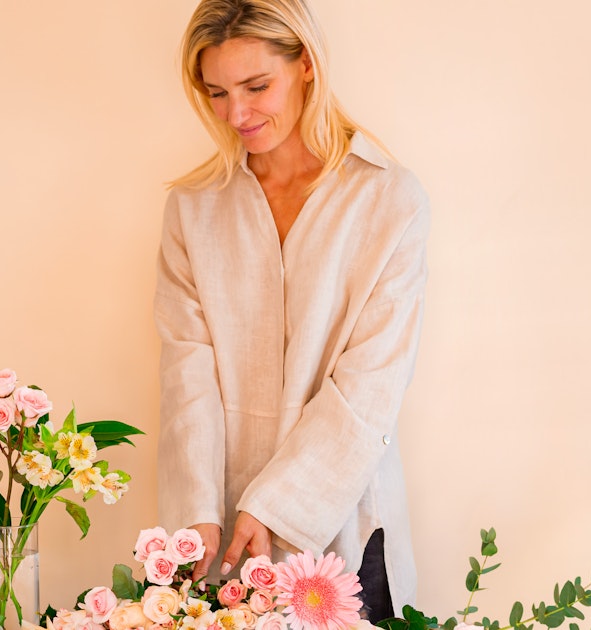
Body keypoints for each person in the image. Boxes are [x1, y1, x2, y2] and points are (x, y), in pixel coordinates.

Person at [152, 0, 429, 622]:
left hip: (349, 522)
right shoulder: (193, 209)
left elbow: (371, 384)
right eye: (217, 92)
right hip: (219, 536)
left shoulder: (386, 199)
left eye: (257, 86)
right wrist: (199, 510)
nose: (237, 114)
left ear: (306, 64)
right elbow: (186, 371)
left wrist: (278, 506)